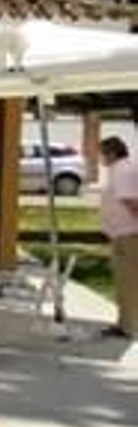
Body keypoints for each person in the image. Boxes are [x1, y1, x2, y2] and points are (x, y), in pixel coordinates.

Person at [97, 136, 138, 338]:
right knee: (124, 282)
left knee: (128, 282)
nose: (100, 158)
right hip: (121, 234)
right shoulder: (120, 168)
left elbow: (131, 202)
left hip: (127, 235)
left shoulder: (122, 170)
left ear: (112, 153)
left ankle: (129, 327)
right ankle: (124, 324)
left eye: (102, 153)